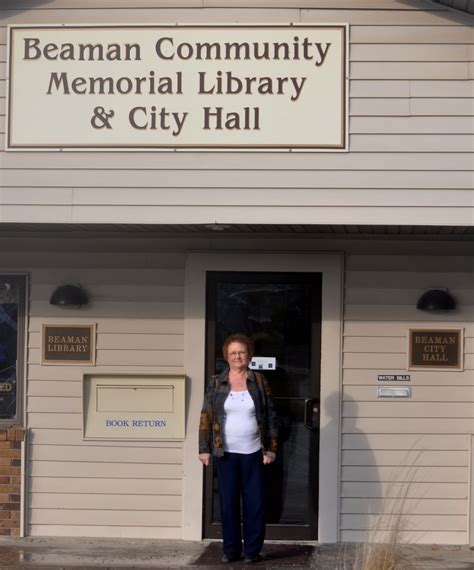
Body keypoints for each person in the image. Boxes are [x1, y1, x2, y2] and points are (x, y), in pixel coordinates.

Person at [199, 333, 278, 563]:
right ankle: (231, 549)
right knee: (228, 504)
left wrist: (271, 449)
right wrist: (204, 448)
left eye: (241, 352)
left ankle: (252, 551)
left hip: (254, 452)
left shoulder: (260, 381)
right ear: (227, 356)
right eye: (233, 353)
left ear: (248, 354)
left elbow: (271, 416)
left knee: (255, 504)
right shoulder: (216, 382)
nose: (237, 356)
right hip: (225, 453)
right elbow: (206, 416)